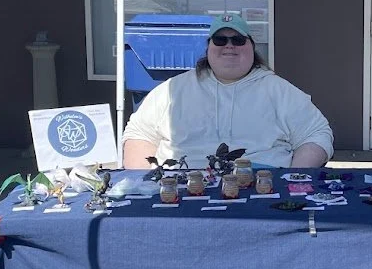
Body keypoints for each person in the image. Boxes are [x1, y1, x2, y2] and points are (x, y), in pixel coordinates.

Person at [122, 17, 333, 170]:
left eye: (238, 40)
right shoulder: (173, 90)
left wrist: (293, 178)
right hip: (181, 189)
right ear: (208, 48)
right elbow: (139, 134)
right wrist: (141, 184)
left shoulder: (279, 90)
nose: (229, 46)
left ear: (252, 47)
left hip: (262, 188)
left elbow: (316, 133)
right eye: (220, 40)